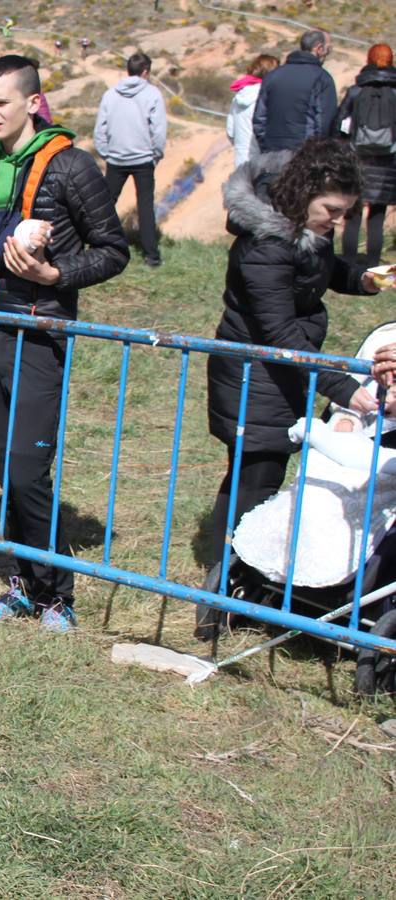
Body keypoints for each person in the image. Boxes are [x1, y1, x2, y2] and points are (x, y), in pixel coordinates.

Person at [0, 55, 128, 630]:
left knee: (25, 470)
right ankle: (20, 585)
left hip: (38, 333)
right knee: (2, 464)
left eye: (0, 103)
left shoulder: (71, 168)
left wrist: (56, 277)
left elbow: (113, 250)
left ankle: (55, 594)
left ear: (33, 103)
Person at [203, 140, 388, 637]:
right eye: (332, 211)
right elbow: (278, 332)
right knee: (255, 479)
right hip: (255, 377)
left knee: (254, 472)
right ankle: (227, 589)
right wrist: (342, 387)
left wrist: (362, 279)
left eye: (346, 213)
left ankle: (233, 579)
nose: (338, 222)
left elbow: (317, 271)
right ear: (305, 195)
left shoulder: (302, 232)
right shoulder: (266, 245)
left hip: (279, 376)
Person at [95, 51, 167, 267]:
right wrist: (156, 154)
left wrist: (105, 152)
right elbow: (159, 129)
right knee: (145, 206)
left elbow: (100, 128)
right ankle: (151, 256)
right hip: (143, 159)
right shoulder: (153, 93)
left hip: (116, 159)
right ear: (145, 71)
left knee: (105, 204)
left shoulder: (110, 94)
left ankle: (98, 246)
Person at [334, 43, 396, 265]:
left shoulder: (356, 90)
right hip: (388, 161)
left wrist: (343, 145)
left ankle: (348, 261)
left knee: (353, 212)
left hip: (357, 158)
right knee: (377, 215)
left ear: (368, 60)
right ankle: (372, 263)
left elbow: (339, 121)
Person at [253, 30, 337, 153]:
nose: (328, 53)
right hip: (303, 156)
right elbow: (324, 123)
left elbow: (259, 119)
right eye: (328, 49)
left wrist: (267, 148)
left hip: (271, 154)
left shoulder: (273, 76)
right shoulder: (322, 78)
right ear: (319, 48)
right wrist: (315, 154)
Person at [226, 54, 281, 167]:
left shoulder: (237, 98)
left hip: (241, 163)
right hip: (264, 163)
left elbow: (230, 132)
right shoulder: (267, 97)